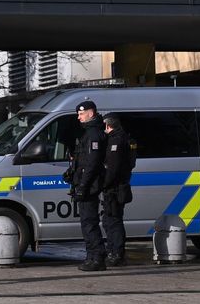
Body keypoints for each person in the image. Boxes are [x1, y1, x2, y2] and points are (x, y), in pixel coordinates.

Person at [67, 100, 107, 271]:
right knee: (86, 222)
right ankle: (91, 256)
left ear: (91, 113)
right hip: (84, 183)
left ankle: (97, 257)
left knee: (89, 222)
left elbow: (92, 164)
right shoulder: (88, 133)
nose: (79, 117)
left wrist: (83, 185)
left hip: (90, 185)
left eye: (81, 114)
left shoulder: (93, 134)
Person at [101, 114, 133, 267]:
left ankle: (116, 254)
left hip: (114, 188)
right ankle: (115, 251)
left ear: (108, 126)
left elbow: (112, 169)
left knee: (113, 222)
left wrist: (104, 184)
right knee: (112, 220)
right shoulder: (123, 138)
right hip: (119, 186)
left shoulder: (116, 140)